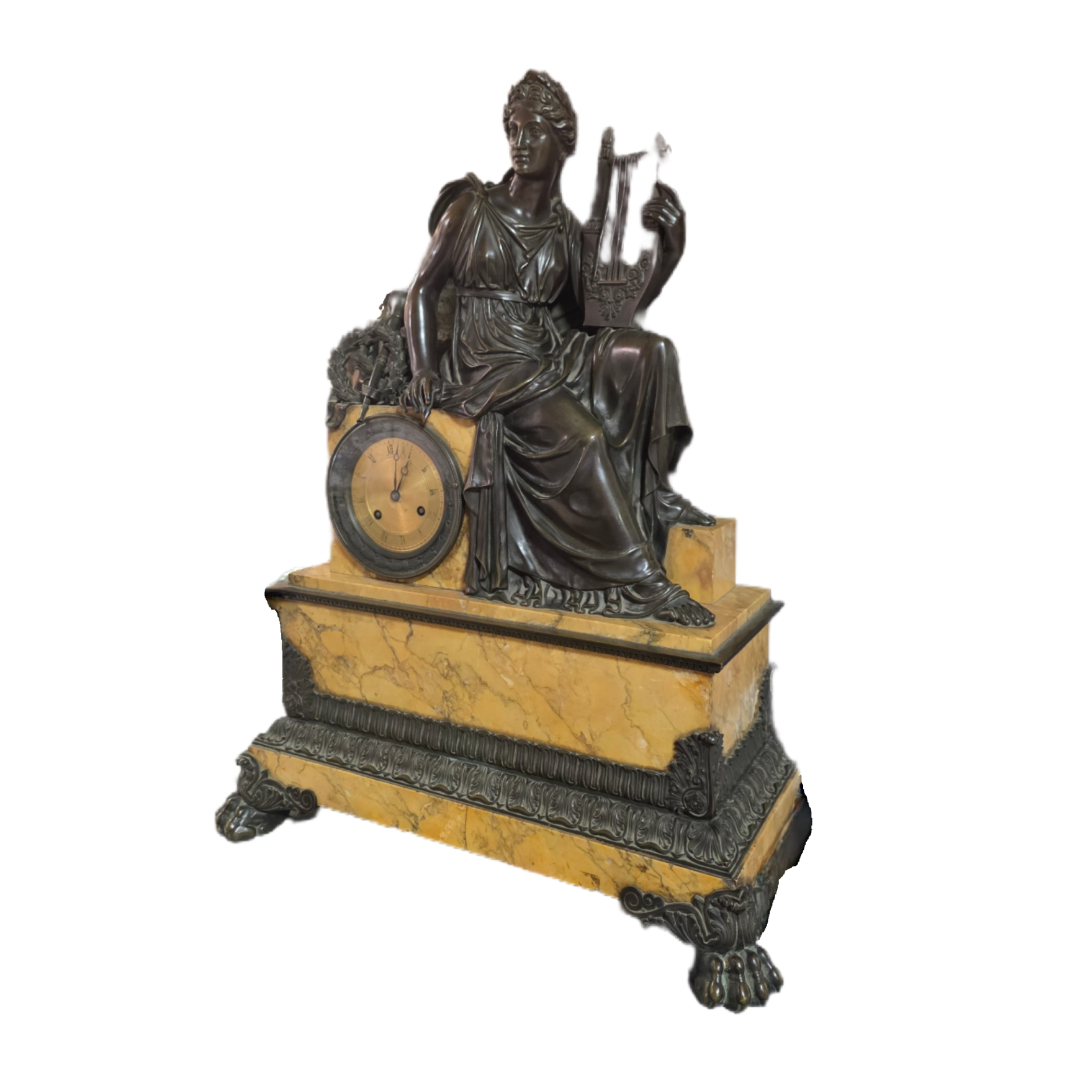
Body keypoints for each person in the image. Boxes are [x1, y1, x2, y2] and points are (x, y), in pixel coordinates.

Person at [403, 71, 715, 628]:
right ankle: (641, 578)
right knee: (585, 436)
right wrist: (425, 368)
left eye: (534, 131)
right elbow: (423, 291)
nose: (520, 142)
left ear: (562, 142)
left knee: (652, 354)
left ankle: (652, 493)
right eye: (513, 130)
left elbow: (606, 317)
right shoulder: (471, 209)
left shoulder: (564, 231)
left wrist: (670, 252)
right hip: (489, 361)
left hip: (545, 349)